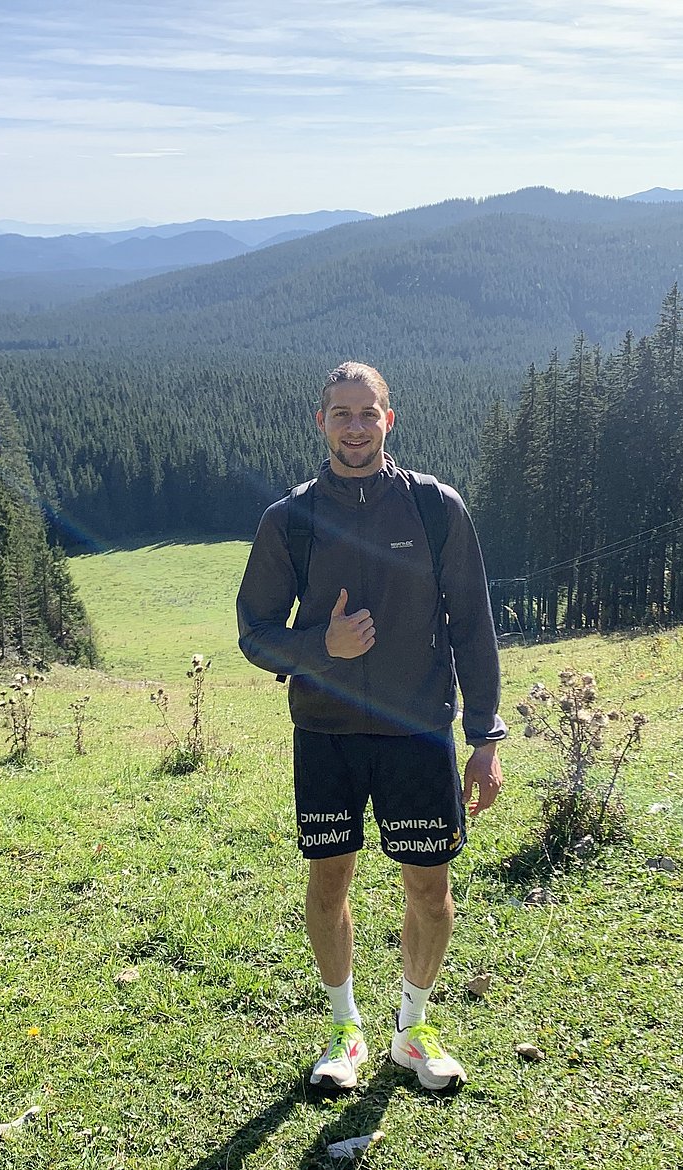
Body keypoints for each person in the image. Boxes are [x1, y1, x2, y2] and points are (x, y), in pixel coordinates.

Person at [236, 361, 506, 1093]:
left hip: (419, 732)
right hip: (325, 732)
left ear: (391, 420)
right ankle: (343, 1032)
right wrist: (320, 644)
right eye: (341, 414)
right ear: (320, 422)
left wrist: (485, 736)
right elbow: (254, 633)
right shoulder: (287, 520)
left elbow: (472, 623)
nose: (355, 427)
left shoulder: (434, 508)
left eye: (368, 413)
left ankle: (412, 1030)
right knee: (330, 882)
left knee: (431, 889)